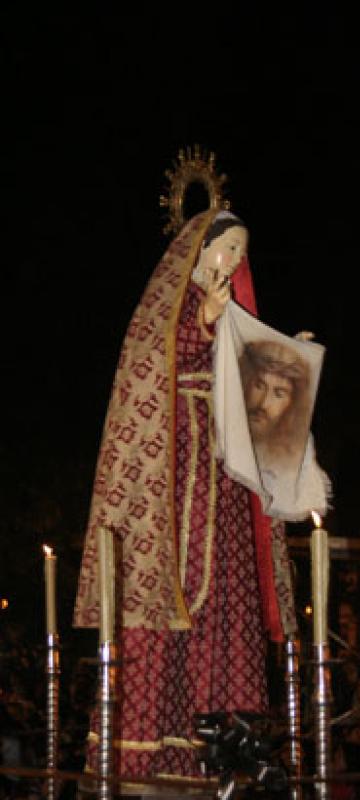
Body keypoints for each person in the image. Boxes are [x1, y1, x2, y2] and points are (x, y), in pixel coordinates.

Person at [74, 209, 297, 783]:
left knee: (222, 593)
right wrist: (202, 319)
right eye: (227, 250)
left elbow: (255, 392)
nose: (234, 262)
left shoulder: (234, 318)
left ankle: (219, 748)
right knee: (172, 598)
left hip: (222, 480)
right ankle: (153, 751)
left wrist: (284, 365)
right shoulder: (165, 314)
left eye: (242, 254)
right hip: (174, 482)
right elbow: (157, 366)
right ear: (197, 255)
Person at [240, 340, 311, 472]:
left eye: (279, 394)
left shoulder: (291, 459)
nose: (263, 403)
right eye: (259, 386)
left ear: (292, 403)